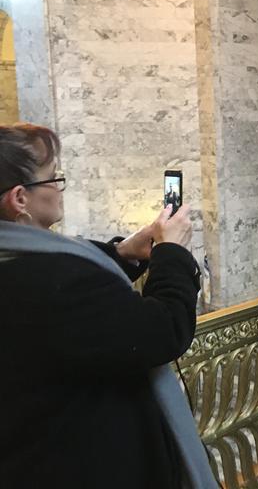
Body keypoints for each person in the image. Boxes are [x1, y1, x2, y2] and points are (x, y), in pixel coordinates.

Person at [0, 123, 217, 489]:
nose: (58, 188)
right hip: (86, 461)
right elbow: (162, 331)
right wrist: (173, 254)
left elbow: (81, 305)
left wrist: (122, 253)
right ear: (20, 198)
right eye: (52, 179)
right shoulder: (49, 284)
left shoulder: (20, 262)